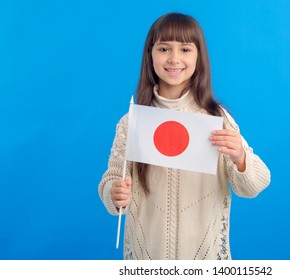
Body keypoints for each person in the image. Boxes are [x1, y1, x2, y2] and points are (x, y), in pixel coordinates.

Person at [98, 12, 271, 260]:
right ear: (150, 55)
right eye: (164, 48)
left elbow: (255, 184)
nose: (174, 58)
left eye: (186, 49)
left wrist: (240, 156)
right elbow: (113, 180)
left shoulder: (217, 119)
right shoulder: (131, 123)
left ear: (199, 57)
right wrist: (113, 193)